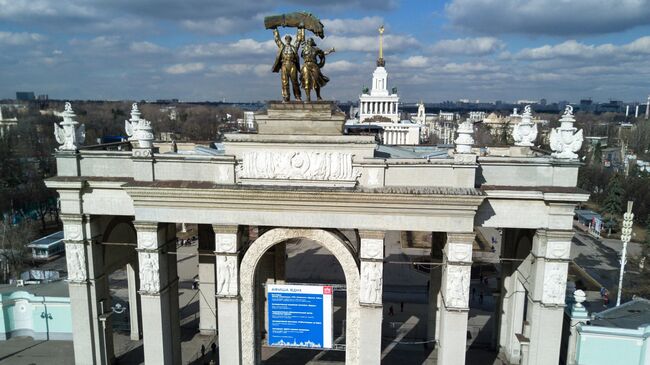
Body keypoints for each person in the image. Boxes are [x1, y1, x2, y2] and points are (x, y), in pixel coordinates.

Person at [272, 26, 304, 102]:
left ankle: (297, 96)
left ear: (290, 40)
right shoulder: (282, 47)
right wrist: (274, 29)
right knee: (284, 82)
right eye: (286, 39)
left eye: (289, 39)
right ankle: (286, 97)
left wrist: (299, 28)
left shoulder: (294, 47)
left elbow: (299, 39)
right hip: (284, 65)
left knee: (294, 81)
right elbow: (277, 39)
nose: (287, 40)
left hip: (292, 64)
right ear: (285, 40)